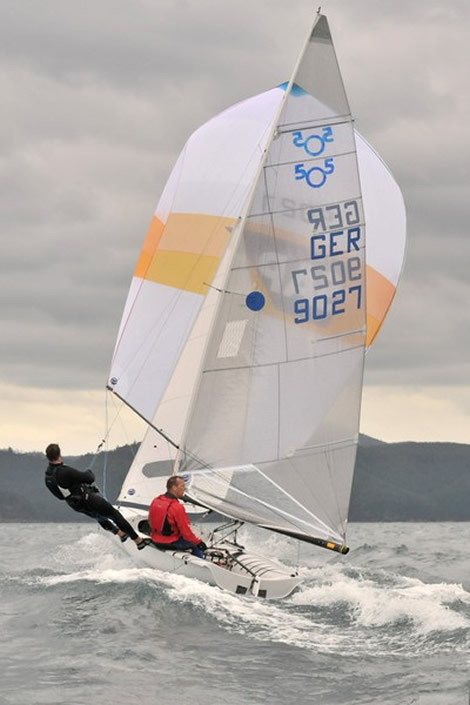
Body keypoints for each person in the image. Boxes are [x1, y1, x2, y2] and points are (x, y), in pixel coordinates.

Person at [44, 443, 149, 549]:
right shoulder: (64, 471)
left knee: (100, 517)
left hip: (75, 505)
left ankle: (120, 534)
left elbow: (60, 496)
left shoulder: (48, 477)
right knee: (114, 515)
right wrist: (89, 473)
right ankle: (138, 541)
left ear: (48, 457)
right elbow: (89, 478)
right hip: (88, 499)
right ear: (59, 455)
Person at [149, 475, 207, 558]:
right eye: (182, 486)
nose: (185, 488)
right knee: (197, 545)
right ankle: (201, 562)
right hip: (171, 542)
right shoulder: (177, 507)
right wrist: (199, 543)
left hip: (155, 539)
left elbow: (150, 520)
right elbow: (186, 533)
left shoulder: (156, 500)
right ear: (174, 488)